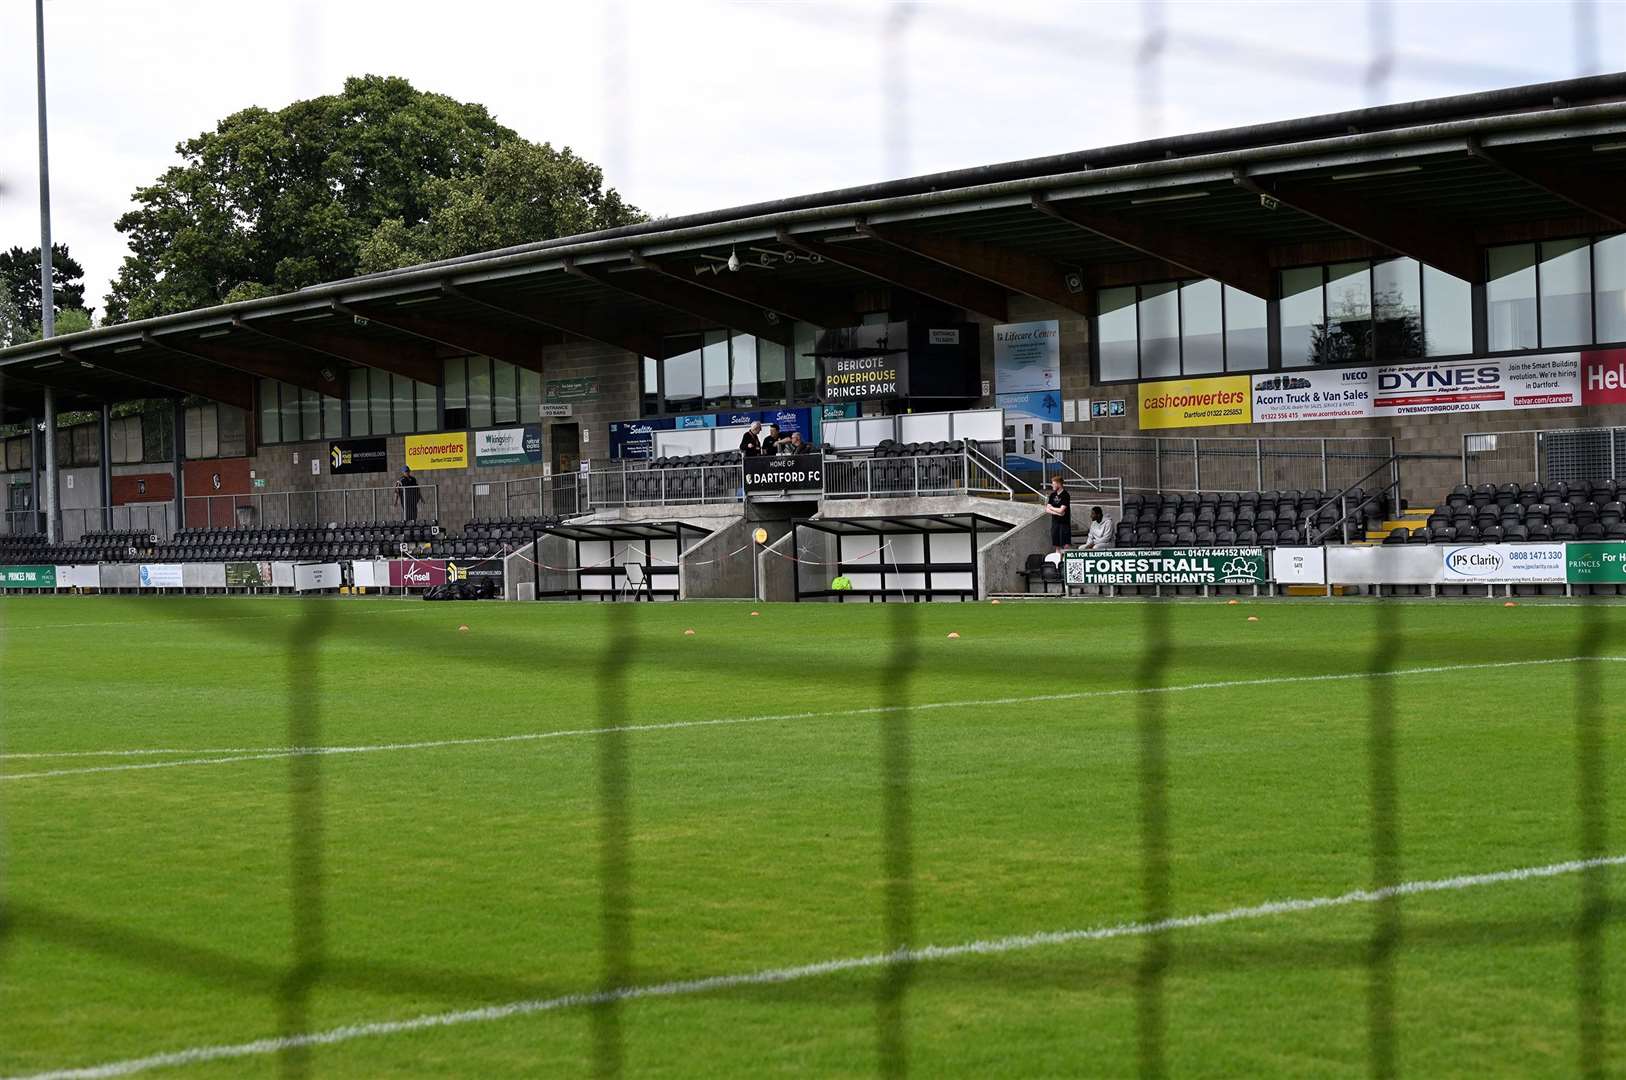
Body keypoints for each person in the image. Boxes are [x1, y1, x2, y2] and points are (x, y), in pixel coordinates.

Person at [1043, 474, 1071, 554]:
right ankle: (1057, 558)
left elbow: (1062, 510)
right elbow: (1047, 509)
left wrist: (1053, 508)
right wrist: (1057, 513)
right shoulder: (1052, 495)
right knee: (1056, 544)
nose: (1052, 485)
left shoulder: (1065, 495)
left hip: (1064, 523)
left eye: (1053, 483)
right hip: (1055, 523)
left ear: (1059, 484)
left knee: (1065, 544)